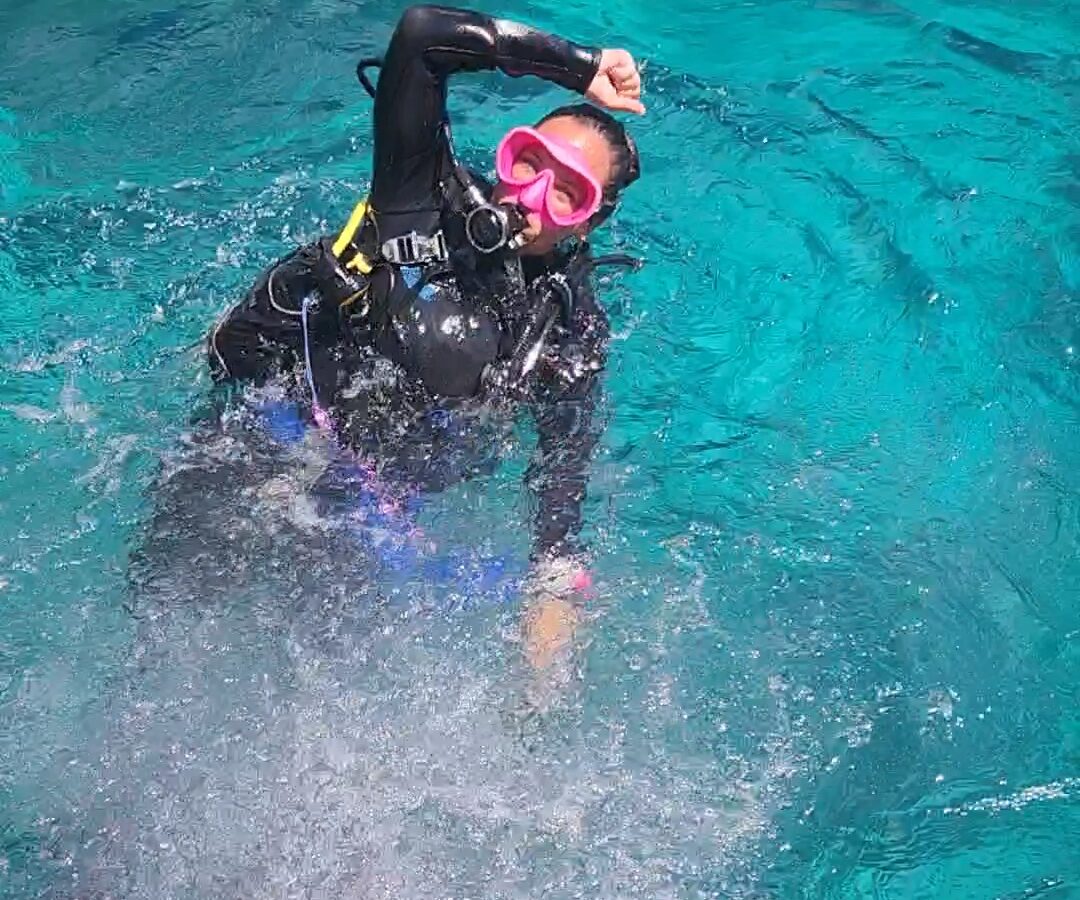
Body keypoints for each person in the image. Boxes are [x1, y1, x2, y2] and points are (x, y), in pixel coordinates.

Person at [207, 4, 644, 671]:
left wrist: (550, 622)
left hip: (363, 509)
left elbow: (561, 503)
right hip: (265, 427)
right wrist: (579, 68)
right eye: (528, 161)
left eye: (567, 193)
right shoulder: (420, 199)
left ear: (585, 225)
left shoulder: (566, 332)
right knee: (167, 598)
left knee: (307, 665)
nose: (530, 196)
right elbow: (423, 36)